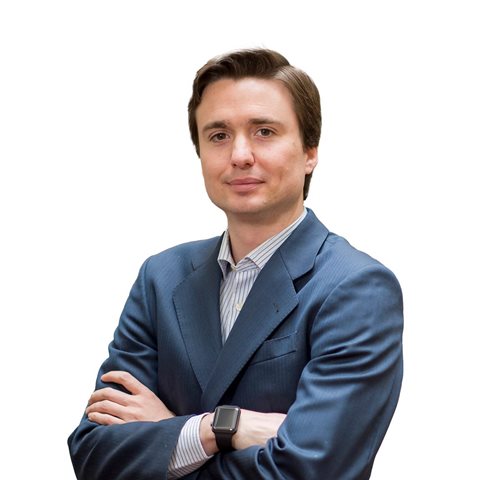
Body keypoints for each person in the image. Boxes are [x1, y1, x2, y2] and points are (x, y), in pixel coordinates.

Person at [68, 48, 403, 479]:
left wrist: (166, 439)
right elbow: (94, 454)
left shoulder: (356, 288)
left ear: (310, 152)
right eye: (219, 135)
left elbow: (310, 470)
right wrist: (220, 428)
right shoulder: (161, 278)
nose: (240, 155)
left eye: (264, 131)